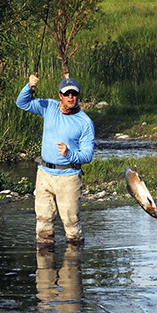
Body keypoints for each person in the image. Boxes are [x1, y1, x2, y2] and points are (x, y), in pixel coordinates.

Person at [16, 75, 95, 247]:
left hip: (69, 176)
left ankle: (73, 265)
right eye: (67, 94)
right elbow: (22, 103)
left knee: (71, 225)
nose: (70, 97)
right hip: (44, 174)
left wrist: (69, 153)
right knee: (43, 224)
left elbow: (87, 155)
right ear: (60, 95)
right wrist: (29, 86)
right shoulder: (49, 107)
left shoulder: (85, 122)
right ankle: (44, 268)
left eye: (74, 93)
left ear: (78, 96)